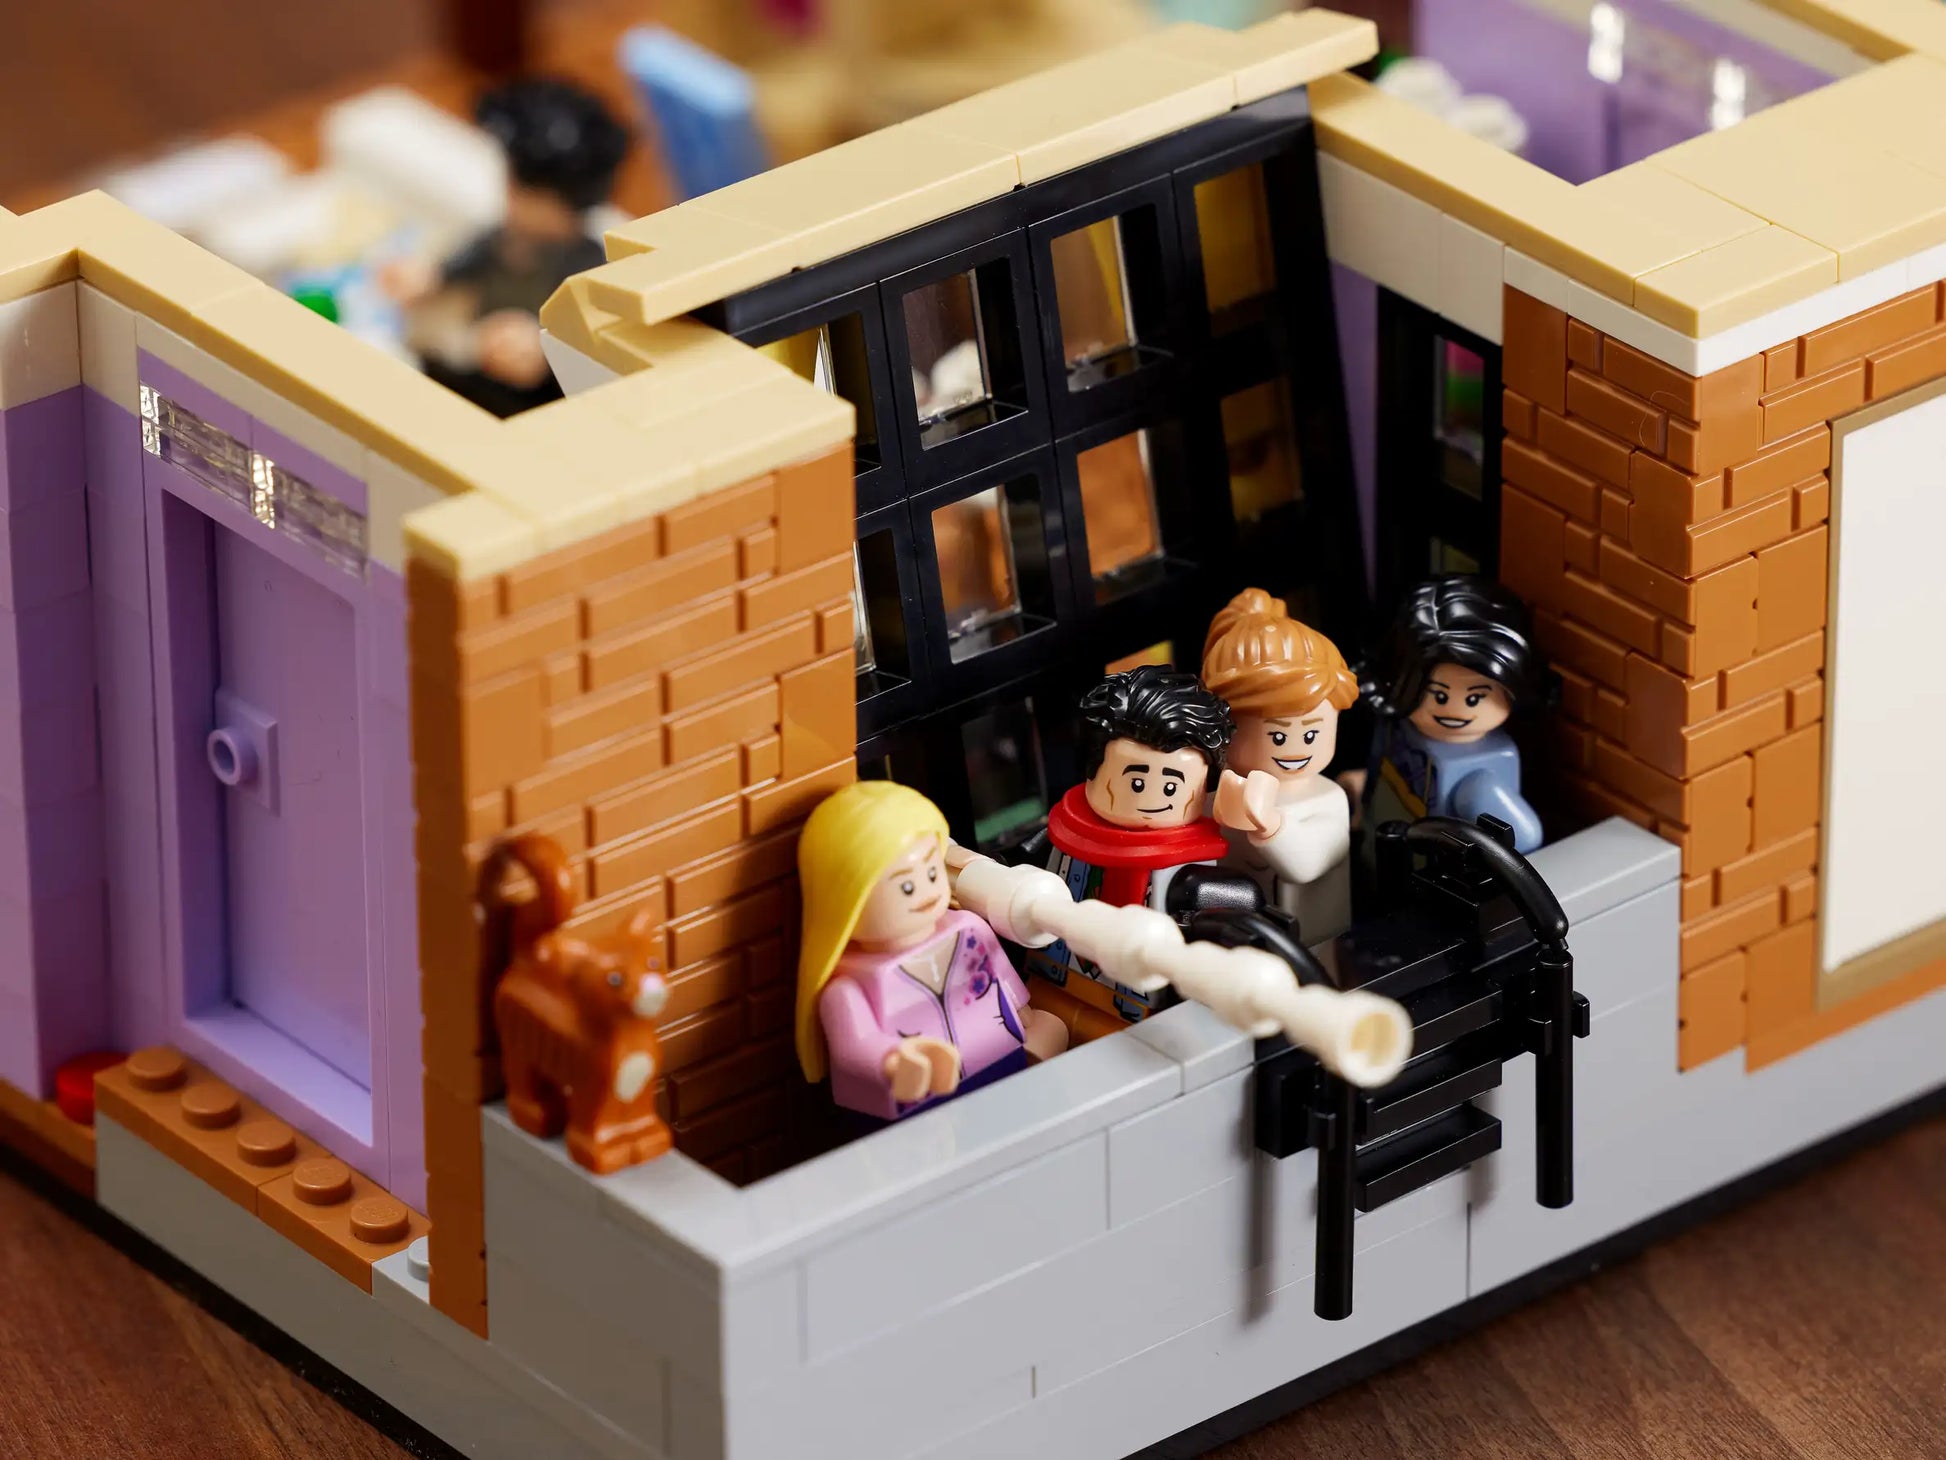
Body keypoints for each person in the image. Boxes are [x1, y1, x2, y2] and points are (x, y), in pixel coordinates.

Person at [795, 781, 1067, 1125]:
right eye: (907, 886)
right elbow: (854, 1049)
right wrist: (894, 1062)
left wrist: (1023, 1013)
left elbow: (1004, 983)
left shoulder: (969, 927)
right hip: (924, 1106)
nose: (926, 891)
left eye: (932, 871)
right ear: (846, 898)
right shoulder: (846, 989)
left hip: (999, 1062)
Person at [380, 78, 628, 417]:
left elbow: (588, 340)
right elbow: (470, 259)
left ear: (560, 205)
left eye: (523, 190)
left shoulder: (585, 265)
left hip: (536, 392)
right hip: (480, 361)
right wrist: (432, 275)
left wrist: (543, 348)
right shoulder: (504, 235)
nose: (509, 195)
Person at [1021, 664, 1235, 1041]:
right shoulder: (1069, 831)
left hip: (1143, 1013)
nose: (1152, 798)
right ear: (1094, 770)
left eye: (1171, 787)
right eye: (1136, 782)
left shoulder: (1192, 865)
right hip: (1054, 980)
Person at [1201, 588, 1362, 944]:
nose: (1296, 748)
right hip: (1230, 936)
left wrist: (1271, 825)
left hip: (1313, 944)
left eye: (1311, 734)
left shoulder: (1327, 798)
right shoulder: (1217, 792)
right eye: (1277, 736)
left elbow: (1306, 864)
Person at [1358, 575, 1555, 853]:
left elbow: (1524, 837)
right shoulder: (1398, 726)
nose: (1453, 709)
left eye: (1474, 698)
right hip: (1380, 847)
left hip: (1428, 870)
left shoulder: (1481, 776)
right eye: (1438, 695)